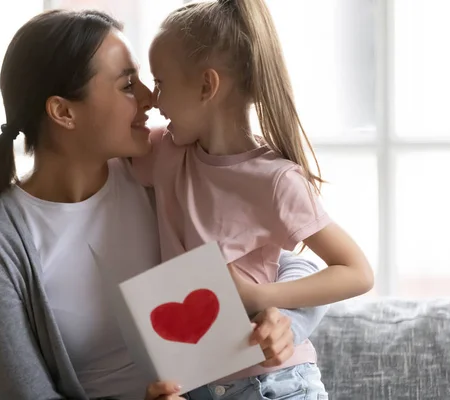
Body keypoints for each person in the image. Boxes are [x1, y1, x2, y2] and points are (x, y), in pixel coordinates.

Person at [0, 9, 328, 400]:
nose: (151, 97)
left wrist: (285, 321)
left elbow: (286, 262)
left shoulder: (161, 169)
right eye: (128, 84)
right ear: (64, 112)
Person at [131, 0, 375, 398]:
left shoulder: (275, 181)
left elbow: (357, 271)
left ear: (207, 86)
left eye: (161, 83)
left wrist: (261, 296)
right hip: (201, 385)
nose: (154, 100)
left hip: (277, 384)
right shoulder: (165, 152)